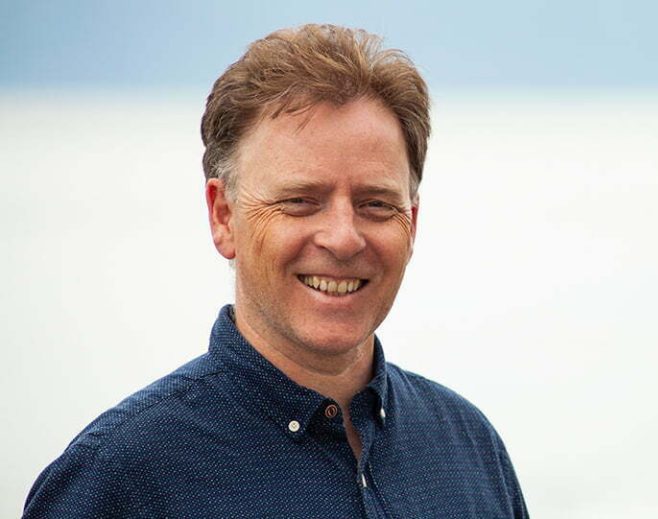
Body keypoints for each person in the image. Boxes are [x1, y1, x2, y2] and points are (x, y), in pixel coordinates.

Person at [24, 24, 528, 518]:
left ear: (412, 223)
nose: (343, 238)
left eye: (375, 204)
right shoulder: (121, 480)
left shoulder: (469, 449)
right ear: (224, 216)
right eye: (300, 201)